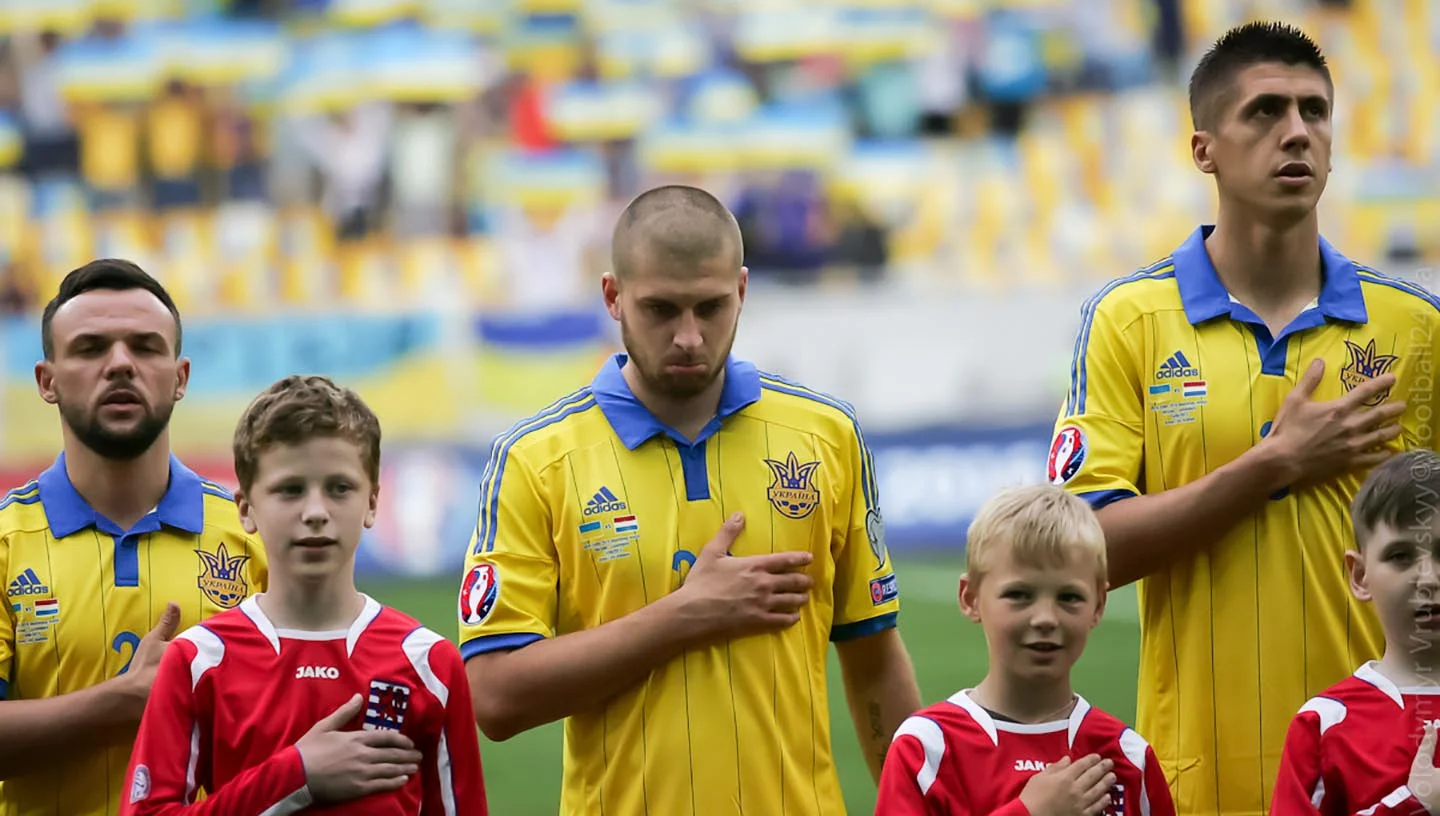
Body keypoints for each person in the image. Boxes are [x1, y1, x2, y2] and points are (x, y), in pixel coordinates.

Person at [1049, 20, 1440, 816]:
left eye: (1315, 111)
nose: (1296, 131)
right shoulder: (1130, 321)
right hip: (1200, 776)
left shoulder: (1416, 328)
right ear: (1204, 150)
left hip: (1389, 778)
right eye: (1265, 112)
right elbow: (1082, 556)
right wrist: (1273, 465)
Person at [459, 184, 922, 815]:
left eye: (709, 307)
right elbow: (496, 698)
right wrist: (685, 616)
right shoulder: (535, 460)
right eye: (661, 309)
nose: (688, 337)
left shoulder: (826, 436)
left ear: (742, 292)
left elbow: (873, 659)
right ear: (613, 298)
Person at [121, 375, 488, 815]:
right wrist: (297, 774)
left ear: (373, 502)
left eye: (339, 488)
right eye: (290, 490)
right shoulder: (199, 661)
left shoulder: (429, 663)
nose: (315, 512)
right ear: (246, 508)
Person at [0, 260, 268, 816]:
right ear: (47, 381)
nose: (120, 364)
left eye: (145, 347)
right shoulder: (5, 544)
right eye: (91, 347)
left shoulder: (255, 537)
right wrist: (122, 703)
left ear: (181, 377)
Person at [874, 485, 1175, 816]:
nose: (1045, 618)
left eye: (1069, 597)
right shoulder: (927, 748)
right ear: (970, 598)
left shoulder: (1127, 757)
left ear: (1099, 605)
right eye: (1019, 595)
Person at [1270, 450, 1440, 814]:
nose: (1429, 578)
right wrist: (1412, 806)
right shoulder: (1325, 724)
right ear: (1360, 576)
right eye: (1401, 556)